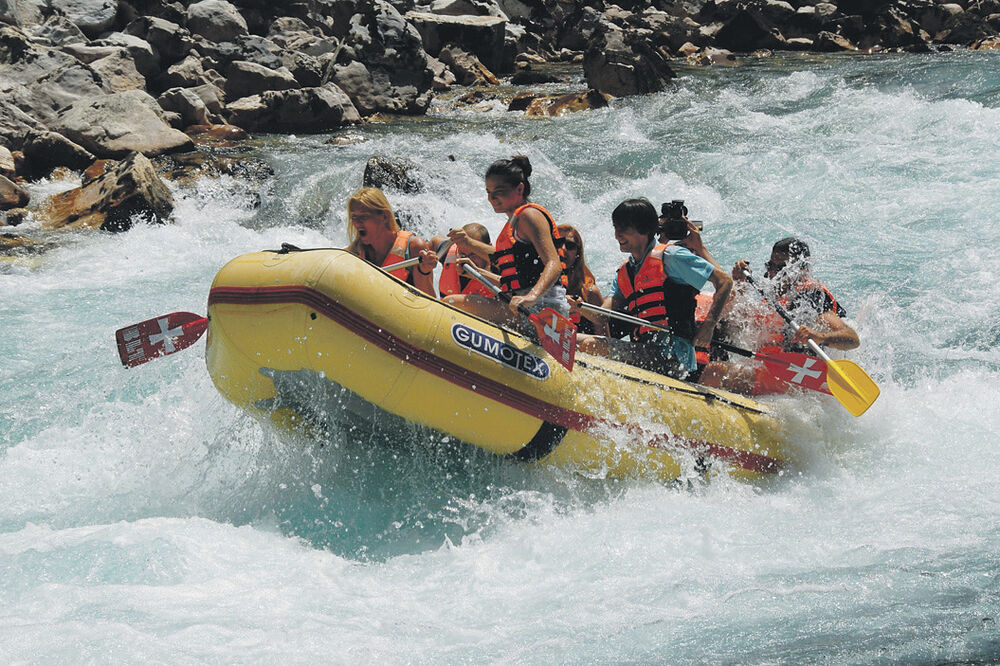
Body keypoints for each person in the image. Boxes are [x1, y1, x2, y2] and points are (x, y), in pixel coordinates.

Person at [574, 198, 732, 381]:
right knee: (574, 339)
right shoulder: (625, 271)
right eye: (616, 228)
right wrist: (577, 307)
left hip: (673, 358)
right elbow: (601, 316)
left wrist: (708, 327)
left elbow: (725, 281)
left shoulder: (671, 256)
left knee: (589, 344)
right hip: (644, 352)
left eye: (624, 229)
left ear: (643, 229)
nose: (617, 235)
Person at [699, 236, 859, 394]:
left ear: (802, 270)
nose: (772, 273)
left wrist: (818, 336)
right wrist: (740, 284)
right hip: (771, 366)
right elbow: (737, 319)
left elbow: (852, 339)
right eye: (770, 266)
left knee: (715, 372)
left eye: (781, 268)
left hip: (796, 376)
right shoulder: (773, 294)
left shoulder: (810, 297)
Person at [446, 156, 569, 327]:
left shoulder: (529, 215)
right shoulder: (514, 223)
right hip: (523, 307)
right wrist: (468, 244)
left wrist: (531, 296)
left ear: (520, 189)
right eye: (488, 192)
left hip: (541, 311)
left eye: (499, 191)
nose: (492, 198)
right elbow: (503, 259)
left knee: (453, 302)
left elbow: (554, 264)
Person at [345, 187, 438, 297]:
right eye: (354, 217)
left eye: (364, 217)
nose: (357, 223)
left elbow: (430, 301)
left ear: (384, 216)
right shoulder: (351, 254)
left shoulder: (414, 247)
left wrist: (424, 271)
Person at [558, 224, 608, 336]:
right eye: (558, 243)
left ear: (577, 253)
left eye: (570, 246)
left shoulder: (591, 292)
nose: (563, 249)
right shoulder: (537, 288)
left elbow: (606, 342)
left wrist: (580, 308)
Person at [430, 223, 495, 299]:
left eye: (474, 255)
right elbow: (434, 242)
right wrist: (427, 261)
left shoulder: (500, 268)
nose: (467, 260)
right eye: (463, 254)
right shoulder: (449, 253)